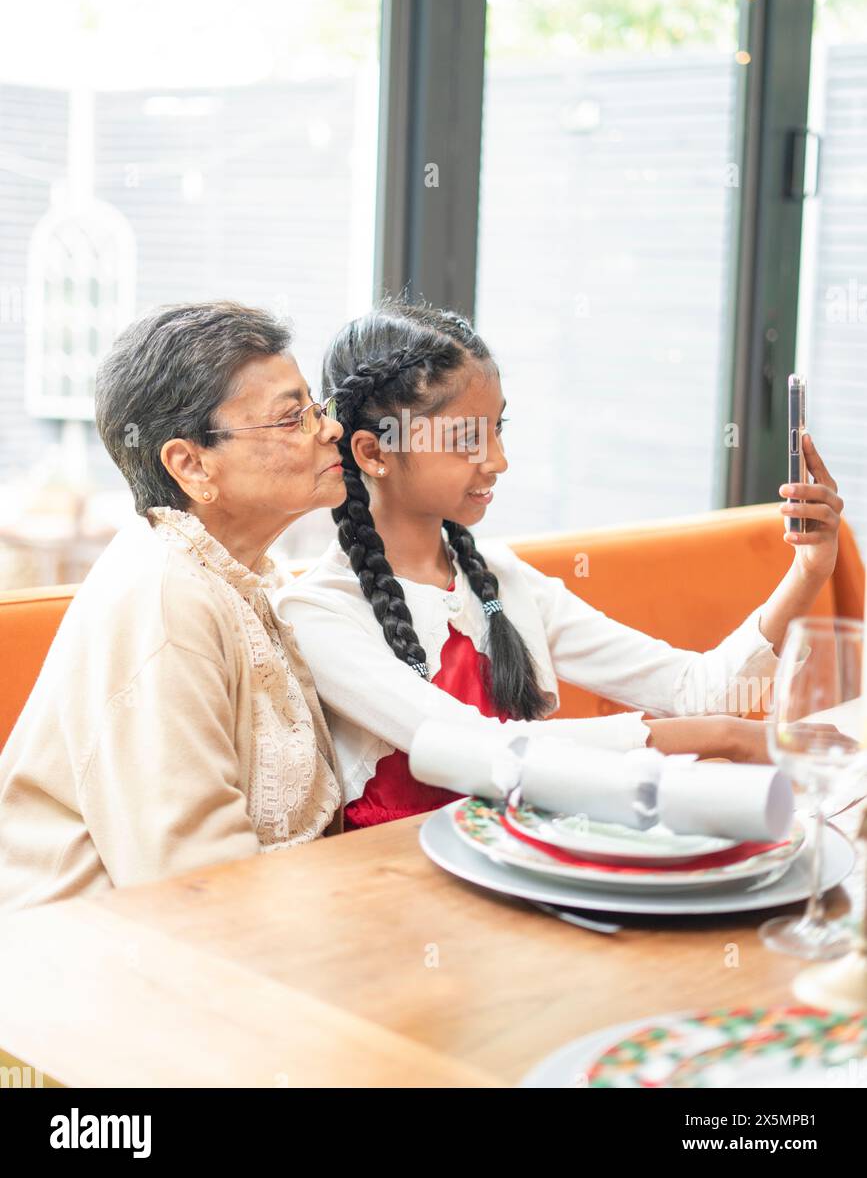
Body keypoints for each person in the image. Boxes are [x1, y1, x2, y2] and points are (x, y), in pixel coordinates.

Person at [273, 300, 847, 829]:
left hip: (529, 865)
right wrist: (729, 738)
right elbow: (480, 750)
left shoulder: (500, 580)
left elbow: (697, 690)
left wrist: (809, 571)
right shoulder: (319, 611)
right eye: (467, 438)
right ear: (374, 452)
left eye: (497, 429)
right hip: (398, 893)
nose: (497, 460)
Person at [0, 301, 347, 911]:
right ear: (190, 464)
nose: (330, 429)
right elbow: (195, 892)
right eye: (292, 418)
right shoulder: (163, 600)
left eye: (316, 408)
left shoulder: (240, 576)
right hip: (96, 966)